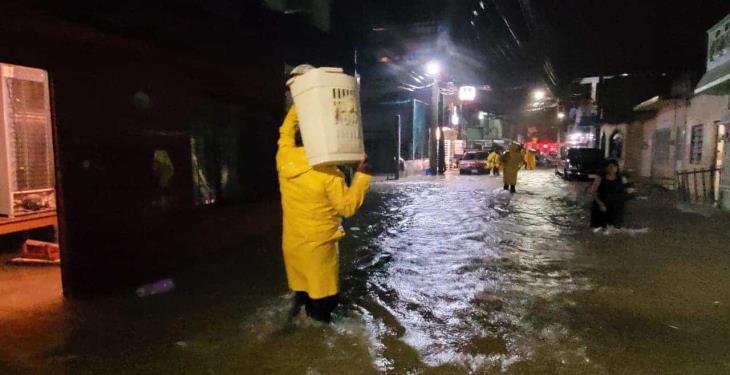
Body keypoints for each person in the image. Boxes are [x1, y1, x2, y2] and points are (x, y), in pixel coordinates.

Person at [277, 67, 372, 323]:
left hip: (293, 248)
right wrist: (362, 176)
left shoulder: (284, 158)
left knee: (302, 299)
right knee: (323, 313)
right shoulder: (329, 174)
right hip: (319, 252)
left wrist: (301, 100)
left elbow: (285, 131)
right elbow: (347, 207)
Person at [590, 159, 628, 228]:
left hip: (615, 208)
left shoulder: (622, 178)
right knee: (600, 229)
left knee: (614, 228)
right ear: (606, 168)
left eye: (614, 166)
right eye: (610, 167)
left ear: (617, 168)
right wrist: (601, 204)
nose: (612, 169)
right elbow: (593, 192)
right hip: (601, 206)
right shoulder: (600, 178)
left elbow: (627, 190)